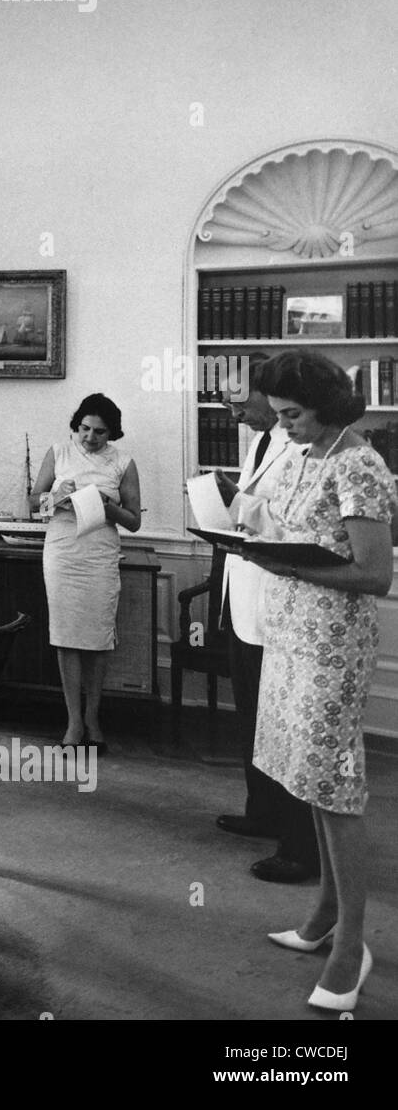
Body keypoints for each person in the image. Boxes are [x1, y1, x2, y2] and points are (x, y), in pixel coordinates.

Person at [239, 351, 395, 1011]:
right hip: (290, 637)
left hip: (332, 647)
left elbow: (374, 573)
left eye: (292, 415)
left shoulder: (359, 462)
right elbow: (291, 526)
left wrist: (291, 568)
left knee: (333, 787)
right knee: (306, 775)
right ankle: (326, 909)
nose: (283, 426)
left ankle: (351, 944)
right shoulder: (300, 452)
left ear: (326, 405)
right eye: (276, 416)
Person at [209, 363, 318, 883]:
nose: (232, 412)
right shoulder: (261, 440)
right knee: (251, 711)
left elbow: (293, 522)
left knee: (282, 721)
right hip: (246, 594)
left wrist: (241, 504)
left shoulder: (299, 443)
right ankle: (264, 811)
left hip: (280, 599)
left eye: (239, 401)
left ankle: (296, 839)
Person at [29, 394, 142, 750]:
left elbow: (135, 521)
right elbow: (33, 500)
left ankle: (93, 715)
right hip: (63, 550)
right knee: (65, 635)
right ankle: (73, 721)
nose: (90, 438)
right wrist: (55, 495)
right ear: (76, 426)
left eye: (100, 432)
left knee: (97, 637)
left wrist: (107, 505)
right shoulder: (58, 452)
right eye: (84, 430)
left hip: (99, 553)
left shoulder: (123, 462)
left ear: (113, 433)